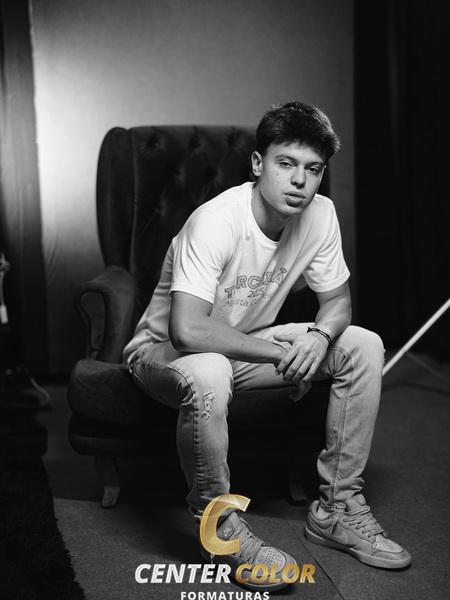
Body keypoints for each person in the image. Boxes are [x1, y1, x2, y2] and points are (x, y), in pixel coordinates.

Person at [123, 102, 411, 590]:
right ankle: (218, 527)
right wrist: (285, 355)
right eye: (286, 163)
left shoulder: (320, 214)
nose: (300, 181)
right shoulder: (216, 221)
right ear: (258, 163)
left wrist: (318, 337)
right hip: (162, 355)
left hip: (243, 347)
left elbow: (338, 303)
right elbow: (187, 331)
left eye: (313, 169)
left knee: (363, 344)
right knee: (210, 369)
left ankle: (337, 509)